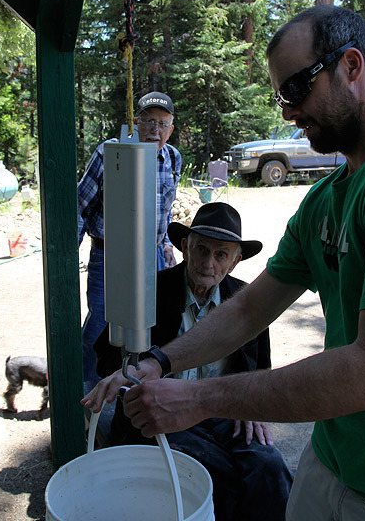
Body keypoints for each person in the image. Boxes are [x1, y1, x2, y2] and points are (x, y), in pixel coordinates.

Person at [84, 6, 365, 520]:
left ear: (351, 67)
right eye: (280, 95)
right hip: (337, 457)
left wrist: (200, 400)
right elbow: (245, 313)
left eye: (297, 89)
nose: (287, 111)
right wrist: (160, 361)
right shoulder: (327, 199)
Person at [93, 202, 292, 521]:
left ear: (236, 260)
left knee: (269, 467)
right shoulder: (149, 292)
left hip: (225, 410)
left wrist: (255, 405)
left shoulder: (248, 302)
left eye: (221, 254)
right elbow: (105, 356)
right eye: (201, 249)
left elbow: (260, 367)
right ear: (185, 246)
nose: (207, 263)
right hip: (161, 411)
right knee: (211, 471)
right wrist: (132, 374)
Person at [78, 91, 182, 389]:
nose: (155, 130)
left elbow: (166, 206)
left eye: (163, 124)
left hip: (154, 254)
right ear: (137, 123)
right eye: (149, 121)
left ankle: (137, 386)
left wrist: (165, 245)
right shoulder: (110, 153)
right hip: (110, 254)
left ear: (171, 128)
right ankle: (84, 389)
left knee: (152, 323)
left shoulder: (173, 158)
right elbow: (80, 204)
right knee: (101, 324)